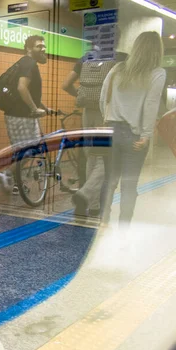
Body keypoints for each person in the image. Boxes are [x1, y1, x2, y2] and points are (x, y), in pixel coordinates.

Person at [99, 31, 166, 228]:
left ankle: (102, 224)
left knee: (109, 181)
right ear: (157, 50)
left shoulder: (118, 68)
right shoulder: (157, 73)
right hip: (133, 135)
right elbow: (151, 104)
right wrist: (146, 135)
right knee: (129, 186)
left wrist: (106, 118)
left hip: (110, 131)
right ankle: (123, 230)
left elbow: (104, 97)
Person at [62, 36, 128, 217]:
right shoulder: (120, 59)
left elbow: (65, 85)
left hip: (87, 112)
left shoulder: (85, 58)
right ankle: (85, 194)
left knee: (90, 156)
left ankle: (93, 205)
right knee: (103, 159)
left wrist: (80, 97)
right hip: (105, 113)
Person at [0, 35, 51, 194]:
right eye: (38, 46)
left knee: (20, 151)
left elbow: (28, 92)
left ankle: (15, 184)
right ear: (28, 49)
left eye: (43, 46)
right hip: (22, 116)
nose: (43, 49)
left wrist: (44, 107)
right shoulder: (29, 63)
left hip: (14, 115)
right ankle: (6, 173)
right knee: (31, 149)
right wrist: (34, 109)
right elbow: (22, 88)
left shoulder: (22, 63)